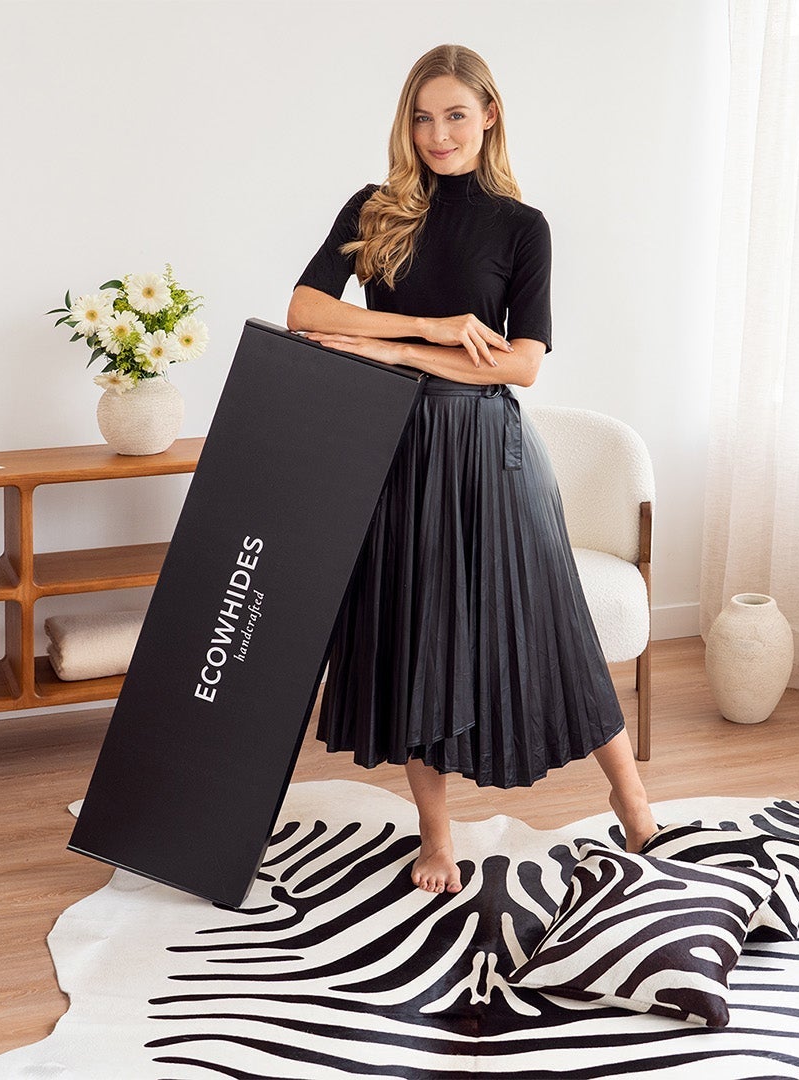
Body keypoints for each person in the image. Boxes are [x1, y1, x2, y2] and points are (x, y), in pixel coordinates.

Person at [288, 44, 656, 895]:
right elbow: (305, 312)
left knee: (557, 630)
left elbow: (521, 366)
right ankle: (436, 838)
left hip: (491, 453)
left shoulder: (522, 227)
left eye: (456, 114)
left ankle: (633, 799)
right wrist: (436, 327)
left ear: (490, 115)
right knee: (418, 636)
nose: (437, 133)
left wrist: (382, 341)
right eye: (422, 116)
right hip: (395, 451)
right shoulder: (377, 208)